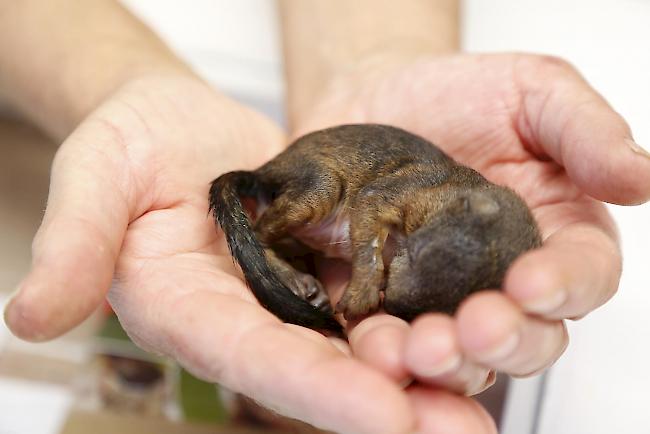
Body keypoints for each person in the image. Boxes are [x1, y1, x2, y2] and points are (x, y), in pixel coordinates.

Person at [2, 1, 649, 433]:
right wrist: (365, 280)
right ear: (431, 229)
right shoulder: (422, 197)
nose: (388, 283)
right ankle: (270, 244)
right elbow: (367, 203)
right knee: (311, 201)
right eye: (402, 269)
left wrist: (374, 59)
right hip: (330, 175)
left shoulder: (471, 222)